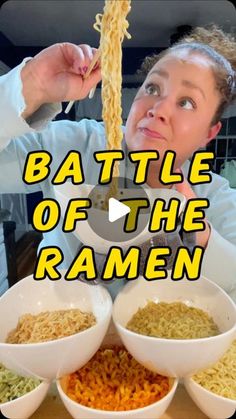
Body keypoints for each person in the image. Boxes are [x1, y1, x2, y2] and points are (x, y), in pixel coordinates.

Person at [0, 25, 236, 300]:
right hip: (64, 331)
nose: (157, 109)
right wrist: (31, 85)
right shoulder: (78, 147)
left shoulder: (215, 197)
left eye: (186, 103)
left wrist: (203, 237)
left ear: (209, 133)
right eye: (153, 87)